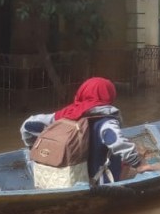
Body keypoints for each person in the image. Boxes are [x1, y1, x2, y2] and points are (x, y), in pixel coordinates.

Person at [20, 77, 152, 182]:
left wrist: (32, 147)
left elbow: (27, 126)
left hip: (64, 177)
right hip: (100, 180)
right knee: (130, 152)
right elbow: (116, 141)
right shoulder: (105, 121)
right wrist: (138, 164)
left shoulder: (63, 116)